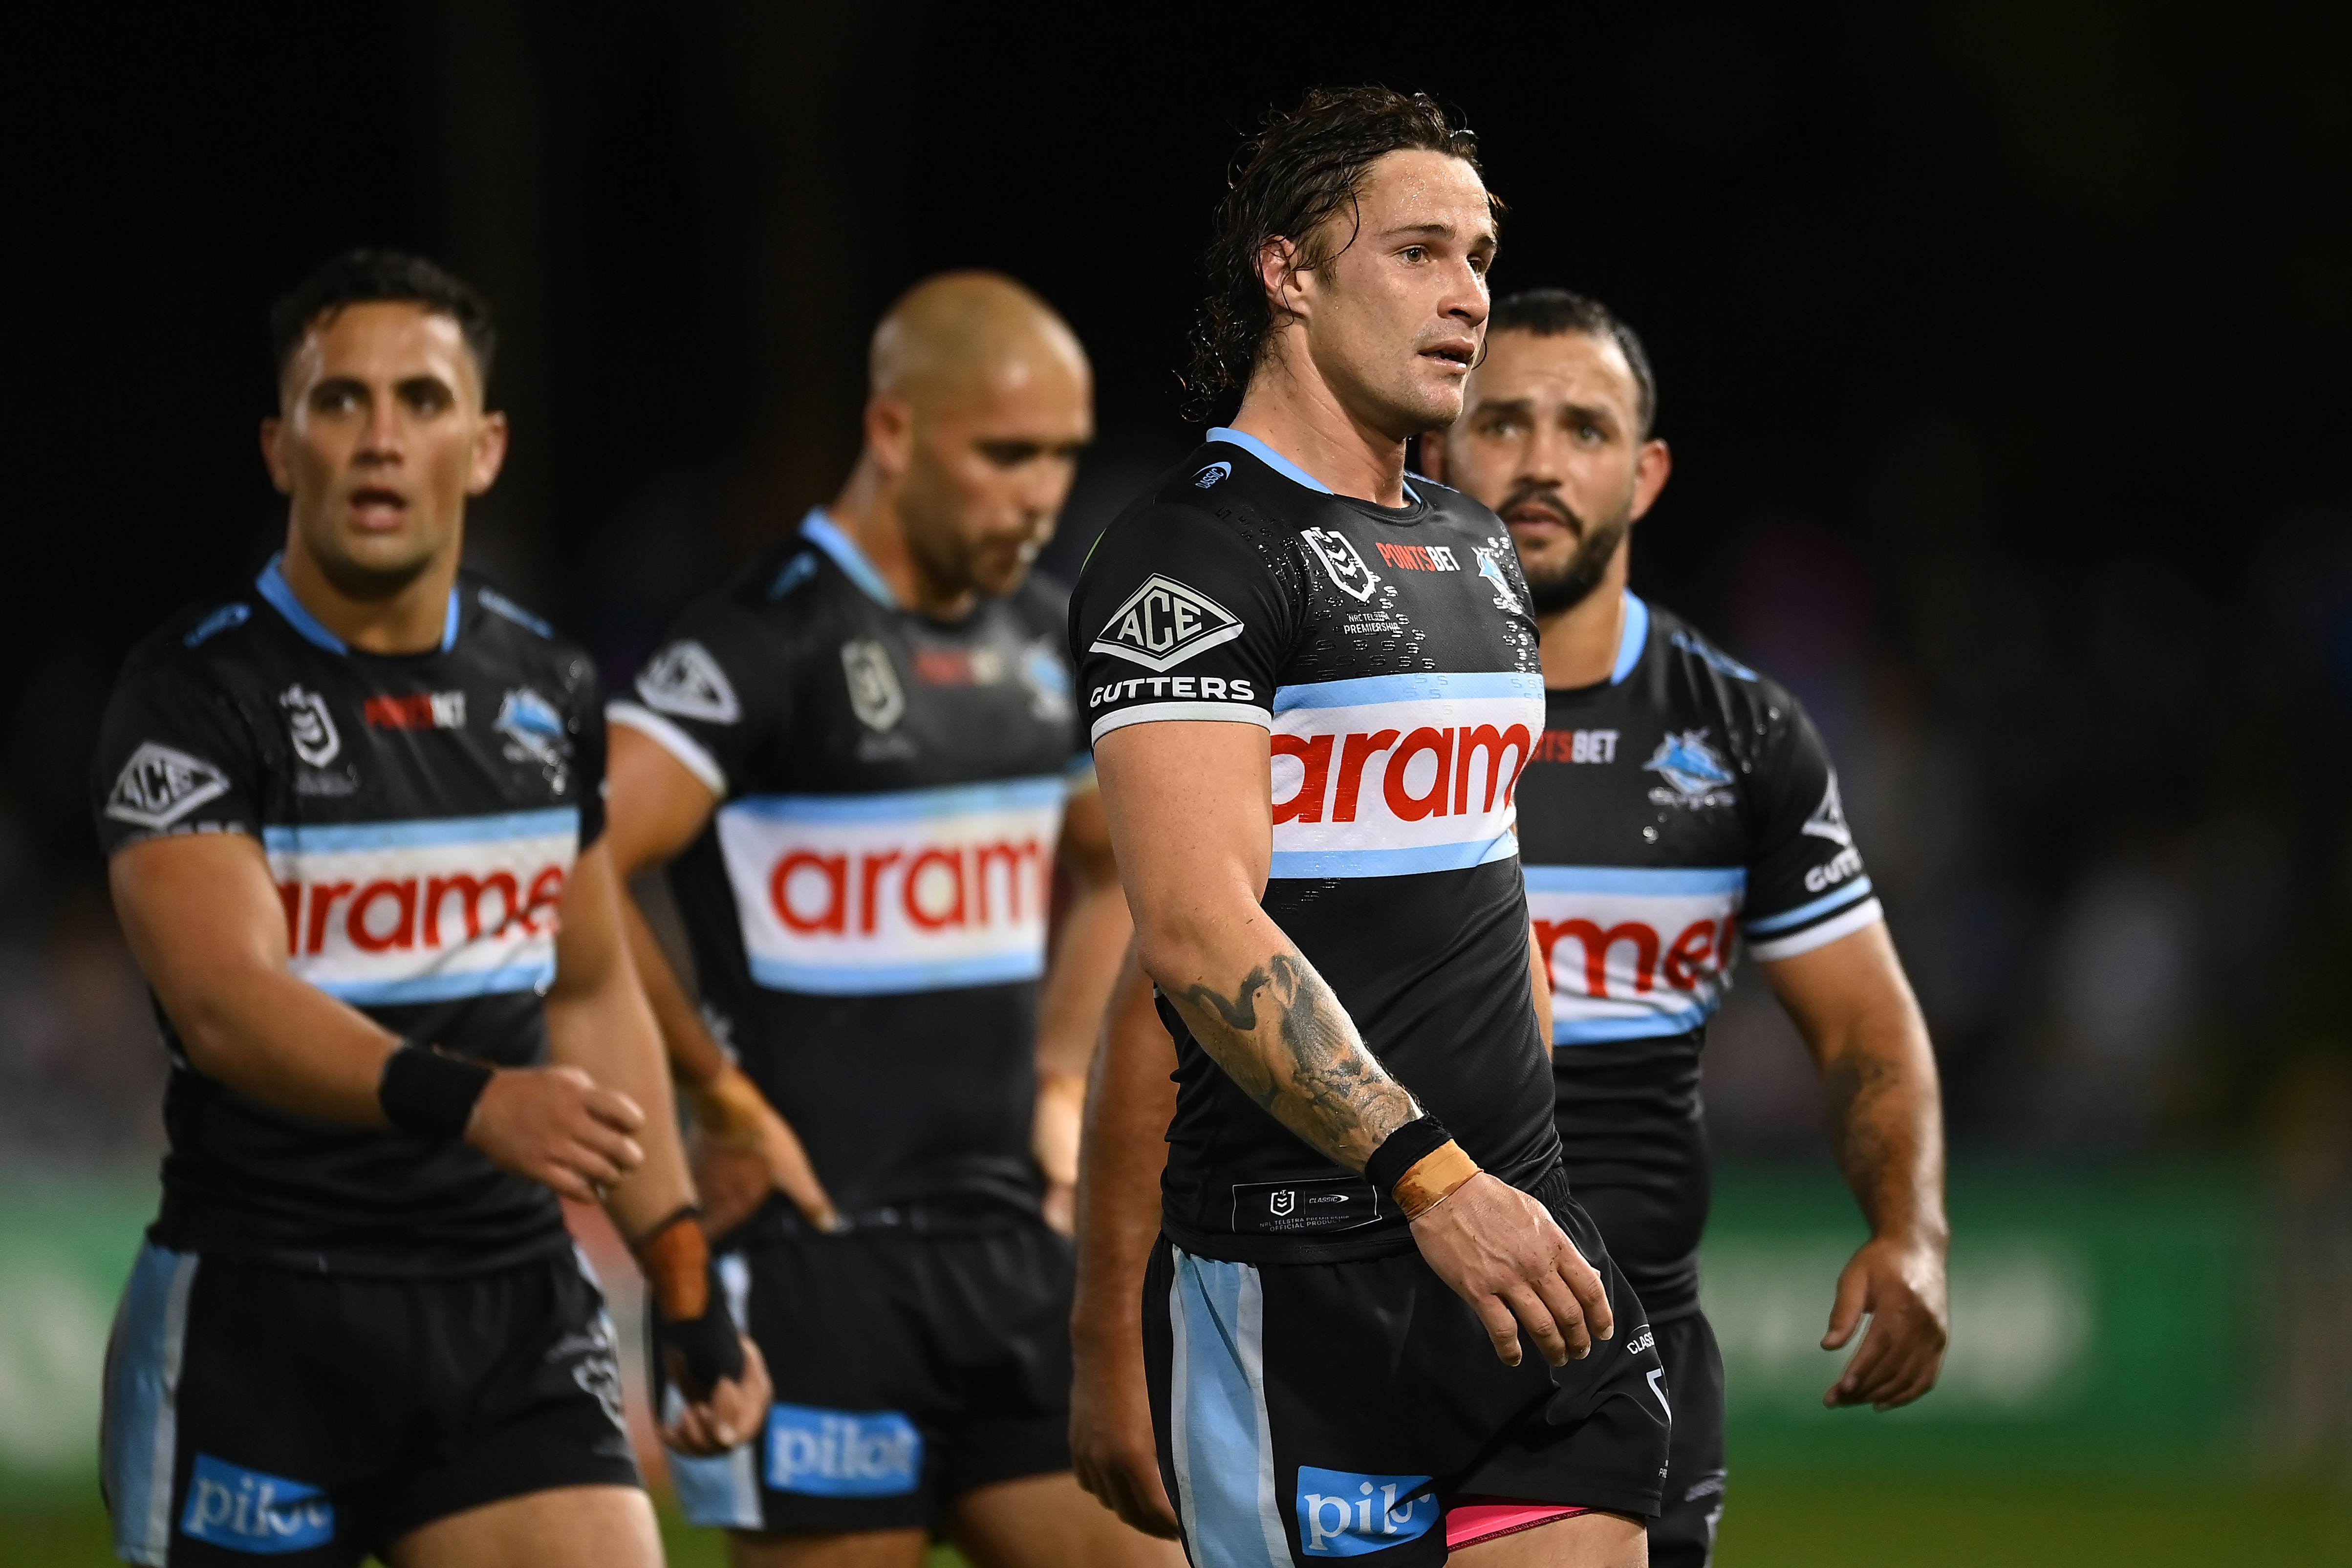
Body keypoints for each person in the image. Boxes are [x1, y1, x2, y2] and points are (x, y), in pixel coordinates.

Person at [1068, 88, 1669, 1568]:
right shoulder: (1191, 554)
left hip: (1517, 1245)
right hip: (1306, 1273)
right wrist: (1104, 1327)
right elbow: (1195, 939)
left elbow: (1490, 894)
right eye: (1418, 252)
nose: (1469, 295)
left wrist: (1524, 1182)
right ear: (1287, 271)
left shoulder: (1477, 548)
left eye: (1480, 256)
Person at [92, 249, 767, 1568]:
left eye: (422, 400)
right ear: (281, 447)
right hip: (262, 1310)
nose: (381, 438)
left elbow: (590, 991)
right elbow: (226, 1004)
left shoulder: (548, 687)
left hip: (509, 1306)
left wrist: (681, 1274)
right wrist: (477, 1100)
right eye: (340, 401)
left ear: (486, 446)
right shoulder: (191, 693)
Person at [603, 272, 1171, 1568]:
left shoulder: (1044, 643)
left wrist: (1059, 1073)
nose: (1041, 494)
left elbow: (1116, 870)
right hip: (814, 1268)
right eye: (1007, 454)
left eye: (1062, 457)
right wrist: (714, 1096)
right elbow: (576, 858)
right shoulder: (764, 641)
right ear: (896, 430)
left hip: (1014, 1251)